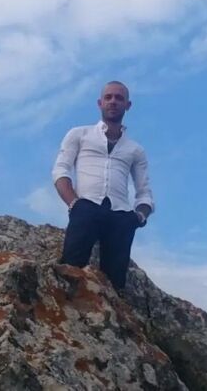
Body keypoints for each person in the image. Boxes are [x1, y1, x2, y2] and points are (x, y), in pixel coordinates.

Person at [52, 81, 154, 292]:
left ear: (128, 105)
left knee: (114, 285)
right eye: (108, 97)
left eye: (119, 98)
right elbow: (60, 171)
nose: (113, 101)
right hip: (86, 206)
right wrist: (74, 204)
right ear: (100, 103)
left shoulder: (135, 150)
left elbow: (144, 192)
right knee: (70, 269)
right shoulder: (79, 134)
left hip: (121, 215)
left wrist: (138, 217)